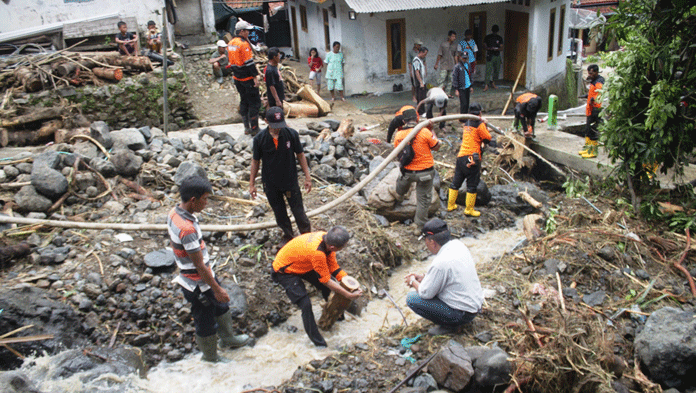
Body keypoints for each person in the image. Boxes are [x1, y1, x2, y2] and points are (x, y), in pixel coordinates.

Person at [168, 176, 250, 363]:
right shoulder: (186, 230)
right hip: (196, 283)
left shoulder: (175, 212)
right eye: (205, 199)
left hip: (203, 276)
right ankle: (210, 357)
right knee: (204, 320)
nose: (207, 203)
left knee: (221, 306)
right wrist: (216, 288)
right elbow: (198, 265)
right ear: (193, 200)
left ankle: (228, 338)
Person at [272, 227, 363, 347]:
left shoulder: (327, 239)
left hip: (303, 262)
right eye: (343, 246)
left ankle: (335, 317)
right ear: (333, 247)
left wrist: (350, 283)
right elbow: (325, 280)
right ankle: (319, 343)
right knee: (305, 304)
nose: (344, 248)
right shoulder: (317, 253)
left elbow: (334, 268)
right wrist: (348, 294)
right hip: (283, 270)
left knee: (326, 289)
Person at [404, 218, 484, 335]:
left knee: (412, 299)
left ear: (432, 242)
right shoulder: (458, 245)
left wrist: (412, 281)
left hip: (462, 315)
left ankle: (451, 326)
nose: (426, 244)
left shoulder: (441, 263)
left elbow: (425, 293)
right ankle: (454, 320)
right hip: (474, 307)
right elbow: (446, 276)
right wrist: (423, 277)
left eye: (426, 240)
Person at [250, 107, 312, 244]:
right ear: (266, 121)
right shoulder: (259, 139)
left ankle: (307, 236)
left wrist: (308, 177)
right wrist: (252, 184)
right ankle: (288, 236)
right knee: (279, 212)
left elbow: (300, 155)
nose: (277, 129)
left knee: (299, 211)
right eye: (274, 126)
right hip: (271, 183)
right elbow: (255, 161)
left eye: (280, 125)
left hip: (290, 181)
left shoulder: (291, 134)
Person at [391, 113, 441, 235]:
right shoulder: (425, 132)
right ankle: (419, 226)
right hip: (425, 173)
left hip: (408, 173)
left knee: (401, 182)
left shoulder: (398, 135)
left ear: (403, 121)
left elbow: (398, 152)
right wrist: (432, 130)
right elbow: (436, 147)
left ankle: (400, 195)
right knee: (423, 200)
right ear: (417, 119)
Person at [447, 103, 491, 216]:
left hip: (461, 156)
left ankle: (450, 205)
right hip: (472, 157)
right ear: (480, 113)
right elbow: (487, 139)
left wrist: (486, 127)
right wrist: (485, 125)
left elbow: (476, 135)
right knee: (472, 184)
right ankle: (469, 209)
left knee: (456, 181)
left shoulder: (467, 123)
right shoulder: (479, 124)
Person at [228, 19, 261, 135]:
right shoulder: (243, 44)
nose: (248, 33)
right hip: (247, 78)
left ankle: (246, 128)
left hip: (237, 78)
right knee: (254, 103)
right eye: (247, 31)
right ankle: (255, 129)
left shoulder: (231, 43)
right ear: (241, 31)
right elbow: (249, 63)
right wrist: (255, 77)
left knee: (244, 102)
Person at [579, 64, 604, 158]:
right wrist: (586, 96)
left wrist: (593, 99)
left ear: (596, 72)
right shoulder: (593, 81)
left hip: (595, 109)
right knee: (588, 130)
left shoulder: (599, 81)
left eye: (591, 73)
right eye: (589, 73)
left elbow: (600, 92)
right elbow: (592, 92)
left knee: (593, 131)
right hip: (590, 110)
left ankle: (593, 151)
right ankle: (587, 148)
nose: (590, 74)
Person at [434, 31, 458, 95]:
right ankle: (439, 94)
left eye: (455, 36)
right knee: (441, 79)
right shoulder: (443, 44)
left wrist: (457, 64)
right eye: (453, 36)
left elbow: (455, 55)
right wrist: (436, 64)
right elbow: (439, 54)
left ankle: (447, 94)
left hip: (452, 65)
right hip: (444, 65)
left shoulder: (455, 46)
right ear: (449, 36)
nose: (454, 38)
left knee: (450, 80)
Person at [483, 25, 504, 91]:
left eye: (496, 31)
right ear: (492, 30)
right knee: (488, 70)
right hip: (490, 55)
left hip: (497, 55)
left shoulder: (499, 38)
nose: (495, 32)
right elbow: (484, 46)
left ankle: (493, 82)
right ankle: (486, 84)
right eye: (494, 31)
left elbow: (502, 48)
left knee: (497, 70)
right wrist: (490, 48)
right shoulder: (488, 37)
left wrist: (496, 49)